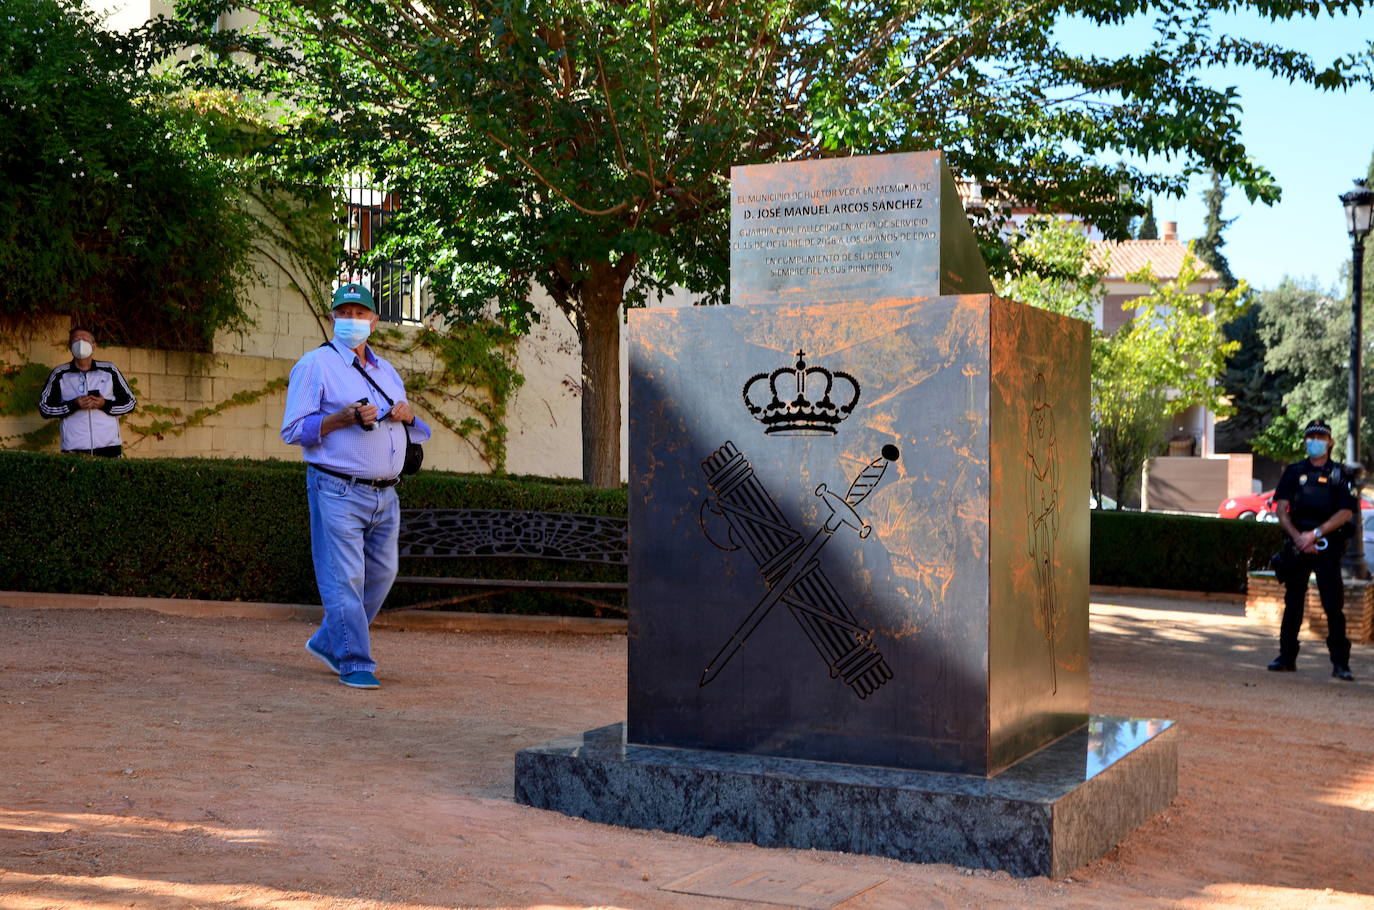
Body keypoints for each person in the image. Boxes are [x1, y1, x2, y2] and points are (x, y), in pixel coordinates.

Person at [281, 283, 431, 689]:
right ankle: (354, 660)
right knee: (345, 576)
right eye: (344, 313)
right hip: (337, 488)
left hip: (387, 492)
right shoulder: (315, 365)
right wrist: (341, 418)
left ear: (374, 321)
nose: (353, 321)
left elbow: (421, 431)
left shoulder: (387, 371)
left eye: (360, 314)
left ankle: (332, 640)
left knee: (382, 574)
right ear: (333, 318)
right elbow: (293, 430)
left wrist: (407, 414)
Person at [1269, 419, 1356, 680]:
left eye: (1320, 437)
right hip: (1298, 546)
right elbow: (1282, 509)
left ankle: (1341, 664)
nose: (1314, 441)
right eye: (1310, 437)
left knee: (1333, 605)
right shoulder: (1294, 471)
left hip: (1326, 545)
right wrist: (1298, 537)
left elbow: (1345, 512)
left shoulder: (1339, 474)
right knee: (1293, 602)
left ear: (1330, 442)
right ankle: (1286, 658)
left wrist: (1315, 534)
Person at [38, 326, 137, 456]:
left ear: (94, 345)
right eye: (76, 340)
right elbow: (44, 408)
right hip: (74, 449)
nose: (80, 343)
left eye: (84, 339)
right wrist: (73, 404)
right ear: (69, 346)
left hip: (109, 448)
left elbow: (130, 403)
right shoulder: (60, 374)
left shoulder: (109, 370)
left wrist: (104, 404)